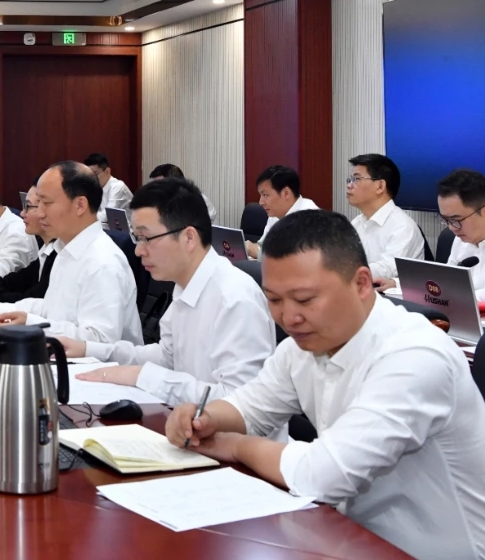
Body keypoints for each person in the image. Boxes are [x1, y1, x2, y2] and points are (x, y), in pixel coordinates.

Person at [164, 211, 485, 560]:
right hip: (347, 534)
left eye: (304, 300)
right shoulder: (305, 343)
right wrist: (205, 418)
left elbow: (323, 475)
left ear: (361, 283)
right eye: (274, 300)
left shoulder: (414, 356)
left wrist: (234, 445)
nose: (289, 318)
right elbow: (250, 407)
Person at [59, 177, 275, 406]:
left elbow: (240, 402)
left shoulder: (235, 299)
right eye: (136, 238)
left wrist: (142, 377)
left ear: (188, 237)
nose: (138, 251)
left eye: (146, 238)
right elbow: (167, 357)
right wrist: (88, 349)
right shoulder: (185, 286)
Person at [0, 162, 142, 345]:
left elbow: (99, 340)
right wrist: (1, 309)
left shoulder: (103, 262)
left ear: (80, 205)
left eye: (46, 203)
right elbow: (51, 307)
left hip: (92, 362)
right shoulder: (64, 249)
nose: (40, 213)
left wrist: (30, 322)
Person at [345, 153, 424, 292]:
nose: (349, 185)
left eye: (356, 179)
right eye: (349, 179)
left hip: (392, 298)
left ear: (380, 186)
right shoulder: (357, 222)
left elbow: (388, 269)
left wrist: (345, 272)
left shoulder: (402, 226)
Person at [245, 165, 318, 259]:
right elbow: (263, 246)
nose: (261, 202)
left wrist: (258, 253)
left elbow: (297, 261)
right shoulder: (276, 213)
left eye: (265, 195)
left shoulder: (310, 217)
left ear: (286, 193)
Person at [437, 168, 485, 301]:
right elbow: (447, 281)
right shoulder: (461, 238)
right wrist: (398, 284)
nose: (451, 227)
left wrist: (459, 298)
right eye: (446, 220)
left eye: (457, 219)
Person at [149, 163, 219, 223]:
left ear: (176, 183)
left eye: (160, 185)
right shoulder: (156, 201)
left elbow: (209, 230)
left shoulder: (199, 201)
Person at [86, 152, 132, 227]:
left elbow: (107, 216)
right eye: (89, 175)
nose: (92, 179)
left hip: (129, 231)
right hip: (109, 229)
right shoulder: (96, 188)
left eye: (95, 174)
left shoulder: (118, 186)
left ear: (107, 171)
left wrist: (86, 218)